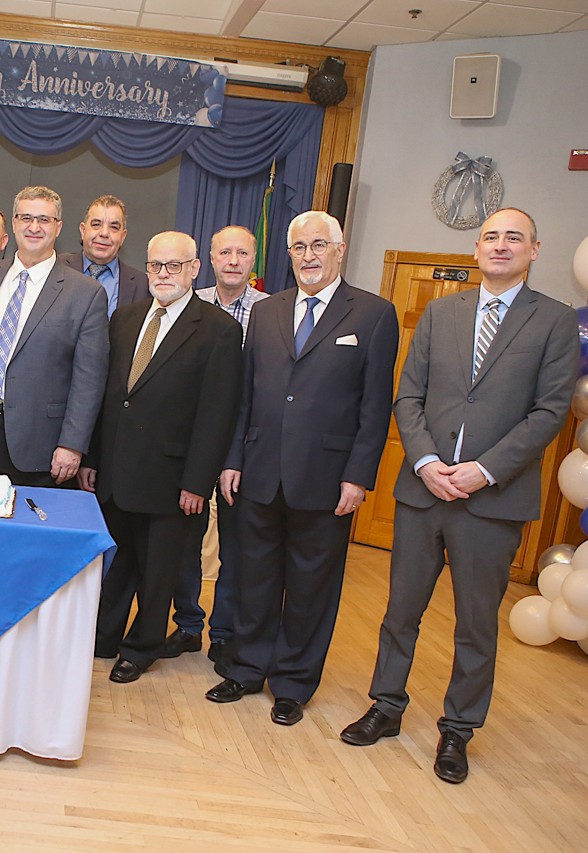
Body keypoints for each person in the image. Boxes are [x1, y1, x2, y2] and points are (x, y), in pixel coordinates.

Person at [340, 208, 577, 784]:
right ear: (476, 250)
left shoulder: (554, 320)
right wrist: (425, 462)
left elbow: (549, 412)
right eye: (491, 237)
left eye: (514, 238)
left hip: (493, 502)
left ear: (534, 250)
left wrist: (484, 471)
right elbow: (408, 396)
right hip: (424, 492)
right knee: (401, 613)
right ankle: (386, 706)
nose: (501, 245)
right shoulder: (441, 313)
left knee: (475, 625)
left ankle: (458, 730)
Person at [206, 211, 398, 728]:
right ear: (287, 254)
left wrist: (358, 475)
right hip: (258, 471)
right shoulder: (266, 311)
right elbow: (246, 393)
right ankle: (246, 669)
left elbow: (375, 406)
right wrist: (232, 458)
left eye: (318, 245)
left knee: (312, 588)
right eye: (299, 247)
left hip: (327, 478)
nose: (308, 256)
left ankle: (292, 684)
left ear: (339, 250)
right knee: (253, 579)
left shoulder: (374, 314)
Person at [79, 231, 243, 684]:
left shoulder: (219, 329)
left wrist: (198, 482)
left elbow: (218, 414)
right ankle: (105, 638)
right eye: (156, 265)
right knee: (118, 565)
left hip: (172, 479)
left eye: (174, 265)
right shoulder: (126, 318)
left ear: (194, 269)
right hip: (116, 471)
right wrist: (93, 458)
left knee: (157, 574)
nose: (164, 274)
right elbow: (110, 398)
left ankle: (141, 648)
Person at [169, 225, 271, 675]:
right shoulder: (187, 305)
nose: (233, 261)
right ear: (208, 259)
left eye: (242, 253)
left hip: (244, 449)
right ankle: (188, 625)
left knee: (236, 547)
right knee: (184, 543)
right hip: (191, 445)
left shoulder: (271, 312)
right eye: (224, 252)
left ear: (254, 260)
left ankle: (225, 632)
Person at [0, 186, 109, 487]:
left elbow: (89, 381)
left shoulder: (85, 293)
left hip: (39, 445)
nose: (34, 227)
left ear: (59, 227)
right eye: (26, 218)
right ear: (14, 223)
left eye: (44, 219)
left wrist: (72, 445)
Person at [57, 195, 148, 317]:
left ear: (123, 237)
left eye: (114, 227)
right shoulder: (56, 267)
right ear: (83, 230)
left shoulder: (142, 285)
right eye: (96, 224)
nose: (104, 233)